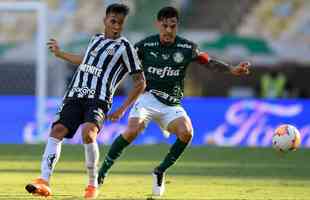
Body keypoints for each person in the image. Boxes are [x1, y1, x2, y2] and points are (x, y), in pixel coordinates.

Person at [96, 6, 250, 197]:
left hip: (171, 104)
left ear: (177, 26)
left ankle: (160, 171)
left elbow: (208, 61)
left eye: (173, 26)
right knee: (132, 130)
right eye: (165, 26)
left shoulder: (187, 48)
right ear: (158, 24)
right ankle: (101, 173)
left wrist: (232, 69)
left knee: (187, 133)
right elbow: (123, 64)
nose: (169, 30)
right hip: (147, 98)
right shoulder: (145, 46)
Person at [25, 3, 146, 199]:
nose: (116, 26)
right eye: (113, 21)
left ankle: (92, 185)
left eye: (120, 23)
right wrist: (60, 53)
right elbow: (85, 60)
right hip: (75, 94)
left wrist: (123, 109)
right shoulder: (95, 40)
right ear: (105, 20)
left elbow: (140, 83)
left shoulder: (125, 48)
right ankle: (44, 181)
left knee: (88, 134)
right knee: (57, 131)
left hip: (98, 99)